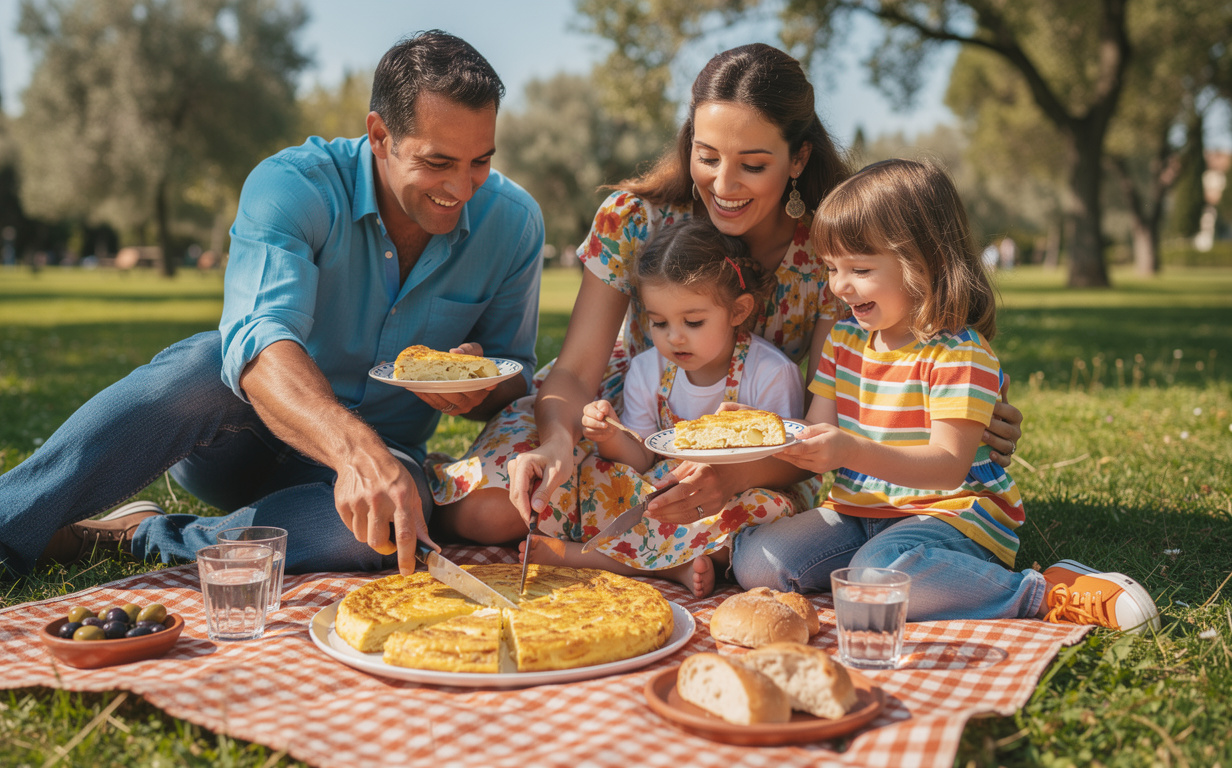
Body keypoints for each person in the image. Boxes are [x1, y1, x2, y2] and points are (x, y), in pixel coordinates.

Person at [0, 30, 545, 609]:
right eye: (437, 162)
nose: (461, 188)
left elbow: (513, 382)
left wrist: (483, 384)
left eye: (480, 161)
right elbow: (259, 344)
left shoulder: (513, 224)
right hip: (242, 438)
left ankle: (141, 536)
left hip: (377, 465)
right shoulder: (295, 186)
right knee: (208, 362)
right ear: (379, 135)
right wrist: (354, 450)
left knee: (385, 526)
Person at [427, 43, 1023, 552]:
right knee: (493, 513)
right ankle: (447, 489)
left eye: (753, 164)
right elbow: (577, 371)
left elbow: (837, 401)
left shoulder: (830, 251)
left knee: (738, 529)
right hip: (615, 411)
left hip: (762, 440)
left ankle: (616, 547)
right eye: (707, 156)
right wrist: (561, 440)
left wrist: (736, 475)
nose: (724, 185)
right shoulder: (633, 219)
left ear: (799, 158)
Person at [732, 159, 1159, 632]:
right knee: (756, 562)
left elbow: (947, 466)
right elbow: (815, 434)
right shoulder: (843, 343)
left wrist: (849, 449)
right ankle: (897, 573)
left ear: (923, 263)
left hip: (951, 513)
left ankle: (1046, 592)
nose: (839, 285)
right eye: (832, 268)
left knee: (879, 578)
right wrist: (756, 432)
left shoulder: (958, 352)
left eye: (860, 268)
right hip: (859, 510)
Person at [522, 217, 804, 597]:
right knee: (597, 476)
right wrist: (609, 435)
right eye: (658, 322)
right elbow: (639, 460)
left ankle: (583, 556)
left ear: (738, 312)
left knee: (763, 508)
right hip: (662, 490)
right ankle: (676, 567)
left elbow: (786, 463)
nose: (674, 337)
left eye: (693, 321)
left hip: (737, 488)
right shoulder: (647, 368)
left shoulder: (770, 372)